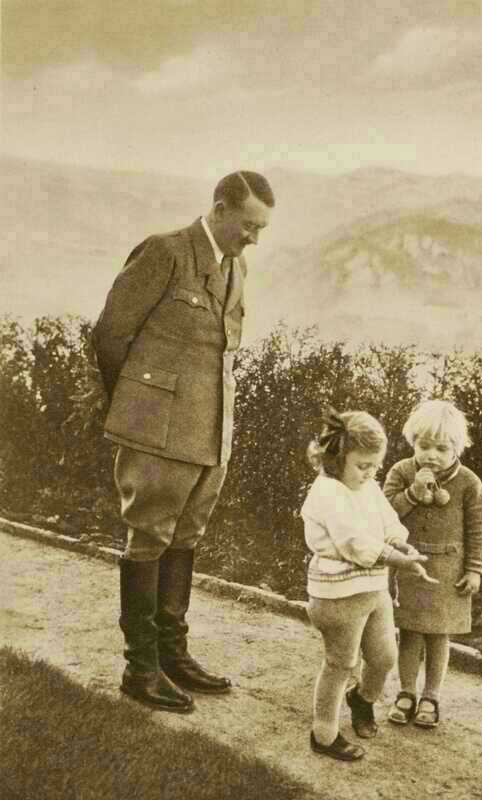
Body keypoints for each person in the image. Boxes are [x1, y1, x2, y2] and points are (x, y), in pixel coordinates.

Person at [92, 171, 275, 713]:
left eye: (261, 229)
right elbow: (110, 334)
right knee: (148, 536)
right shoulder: (166, 252)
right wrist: (139, 405)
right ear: (220, 208)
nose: (254, 239)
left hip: (209, 431)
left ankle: (172, 655)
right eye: (248, 225)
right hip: (158, 428)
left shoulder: (235, 266)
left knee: (185, 536)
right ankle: (140, 668)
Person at [301, 407, 438, 761]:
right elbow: (353, 543)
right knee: (340, 663)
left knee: (384, 656)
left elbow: (387, 521)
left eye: (375, 466)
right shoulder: (328, 492)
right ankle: (323, 733)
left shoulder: (368, 487)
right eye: (363, 466)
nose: (370, 473)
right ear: (336, 459)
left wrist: (401, 544)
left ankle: (361, 699)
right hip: (338, 592)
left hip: (373, 586)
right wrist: (394, 558)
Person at [383, 399, 482, 729]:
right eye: (424, 446)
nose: (431, 455)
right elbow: (384, 515)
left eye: (441, 448)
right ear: (412, 441)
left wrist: (474, 569)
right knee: (409, 632)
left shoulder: (469, 483)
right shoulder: (401, 472)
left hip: (448, 571)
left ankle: (431, 696)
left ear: (457, 447)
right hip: (409, 565)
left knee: (439, 636)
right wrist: (413, 493)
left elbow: (477, 529)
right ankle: (406, 692)